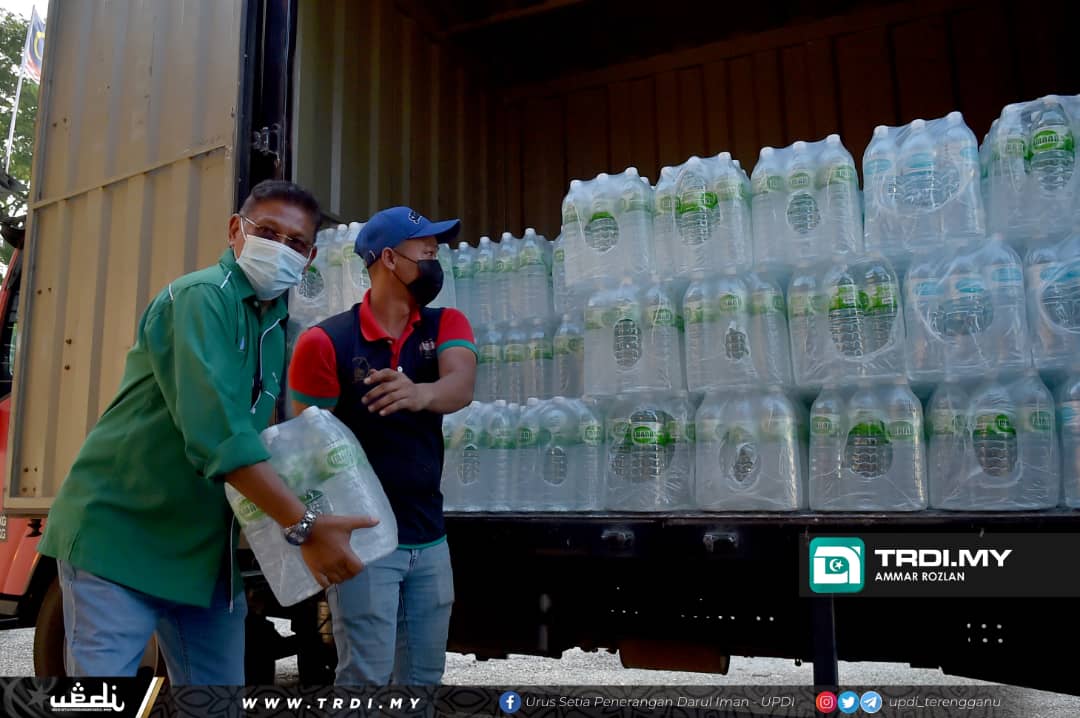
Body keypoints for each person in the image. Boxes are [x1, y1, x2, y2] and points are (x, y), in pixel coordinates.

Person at [38, 180, 378, 684]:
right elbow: (217, 436)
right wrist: (303, 524)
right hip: (121, 536)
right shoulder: (198, 299)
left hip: (203, 553)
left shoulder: (273, 322)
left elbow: (255, 436)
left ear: (309, 260)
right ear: (235, 232)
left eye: (296, 243)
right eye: (268, 232)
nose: (280, 248)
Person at [288, 206, 477, 685]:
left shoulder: (445, 323)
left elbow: (461, 384)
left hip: (430, 537)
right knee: (366, 680)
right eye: (426, 248)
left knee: (423, 679)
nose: (436, 256)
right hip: (366, 542)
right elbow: (305, 451)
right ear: (389, 259)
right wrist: (316, 530)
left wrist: (420, 393)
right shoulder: (325, 342)